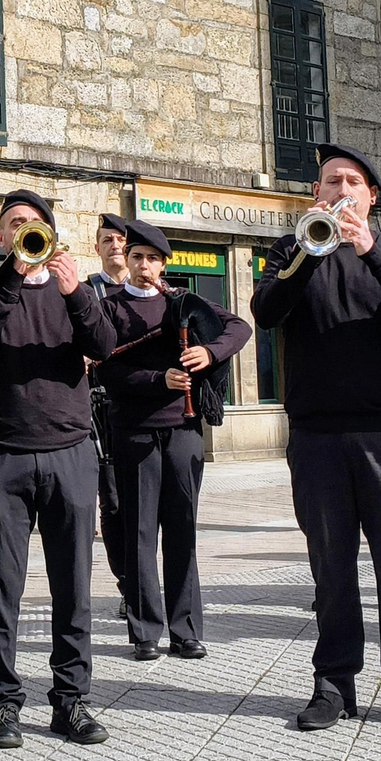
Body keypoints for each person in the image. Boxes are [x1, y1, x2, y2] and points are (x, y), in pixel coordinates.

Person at [252, 143, 381, 737]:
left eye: (352, 182)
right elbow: (266, 311)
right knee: (331, 570)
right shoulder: (291, 249)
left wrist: (367, 250)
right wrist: (312, 255)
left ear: (371, 197)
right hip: (317, 436)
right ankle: (334, 682)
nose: (340, 190)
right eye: (330, 182)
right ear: (316, 194)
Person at [0, 189, 116, 749]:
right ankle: (2, 702)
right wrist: (14, 273)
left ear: (51, 233)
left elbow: (104, 343)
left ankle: (70, 701)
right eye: (14, 226)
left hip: (71, 452)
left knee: (73, 584)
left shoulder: (78, 290)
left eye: (35, 224)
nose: (25, 231)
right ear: (1, 239)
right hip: (3, 453)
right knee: (3, 586)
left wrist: (74, 291)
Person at [98, 219, 250, 660]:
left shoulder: (183, 301)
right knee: (140, 531)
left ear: (165, 264)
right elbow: (107, 370)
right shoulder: (109, 308)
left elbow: (238, 327)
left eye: (153, 259)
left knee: (182, 529)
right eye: (137, 258)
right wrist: (157, 379)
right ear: (125, 261)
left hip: (183, 431)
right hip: (134, 431)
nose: (145, 266)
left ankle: (186, 630)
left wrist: (210, 352)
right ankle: (145, 631)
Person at [89, 213, 130, 621]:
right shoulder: (86, 291)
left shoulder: (155, 288)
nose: (115, 246)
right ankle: (127, 584)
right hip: (103, 408)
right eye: (108, 240)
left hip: (149, 408)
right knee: (114, 503)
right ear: (97, 248)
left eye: (121, 239)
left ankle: (151, 583)